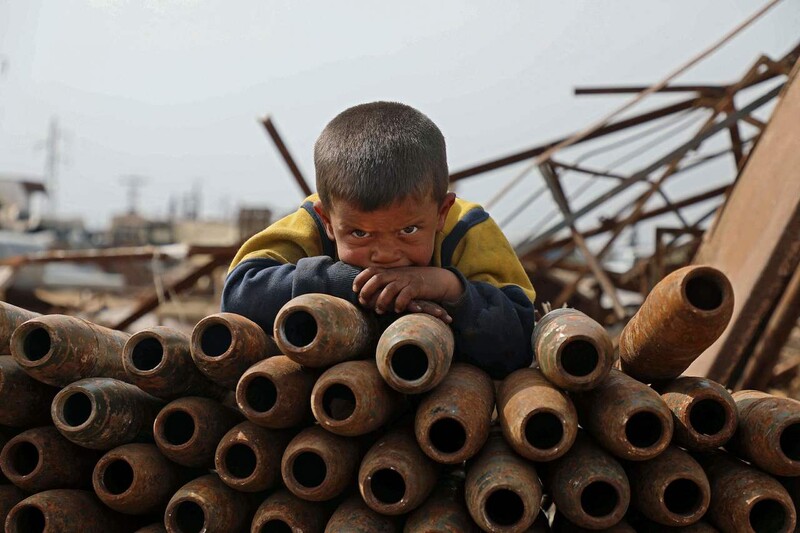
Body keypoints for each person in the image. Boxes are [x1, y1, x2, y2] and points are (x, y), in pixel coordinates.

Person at [222, 101, 535, 379]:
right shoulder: (313, 223)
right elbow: (239, 296)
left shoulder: (465, 228)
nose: (385, 255)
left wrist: (448, 288)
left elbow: (518, 342)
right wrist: (346, 283)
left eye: (408, 231)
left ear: (441, 212)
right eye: (360, 234)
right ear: (329, 221)